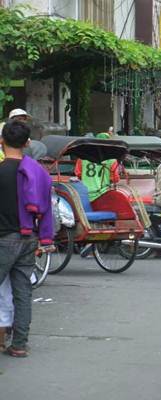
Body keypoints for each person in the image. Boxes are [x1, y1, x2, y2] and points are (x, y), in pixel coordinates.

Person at [0, 120, 54, 357]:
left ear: (1, 141)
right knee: (23, 293)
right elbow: (47, 210)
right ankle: (19, 344)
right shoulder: (38, 172)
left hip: (3, 239)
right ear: (27, 143)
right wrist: (45, 240)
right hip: (28, 238)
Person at [74, 133, 120, 201]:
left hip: (85, 194)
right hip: (103, 194)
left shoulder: (82, 158)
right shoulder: (112, 159)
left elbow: (78, 174)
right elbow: (115, 179)